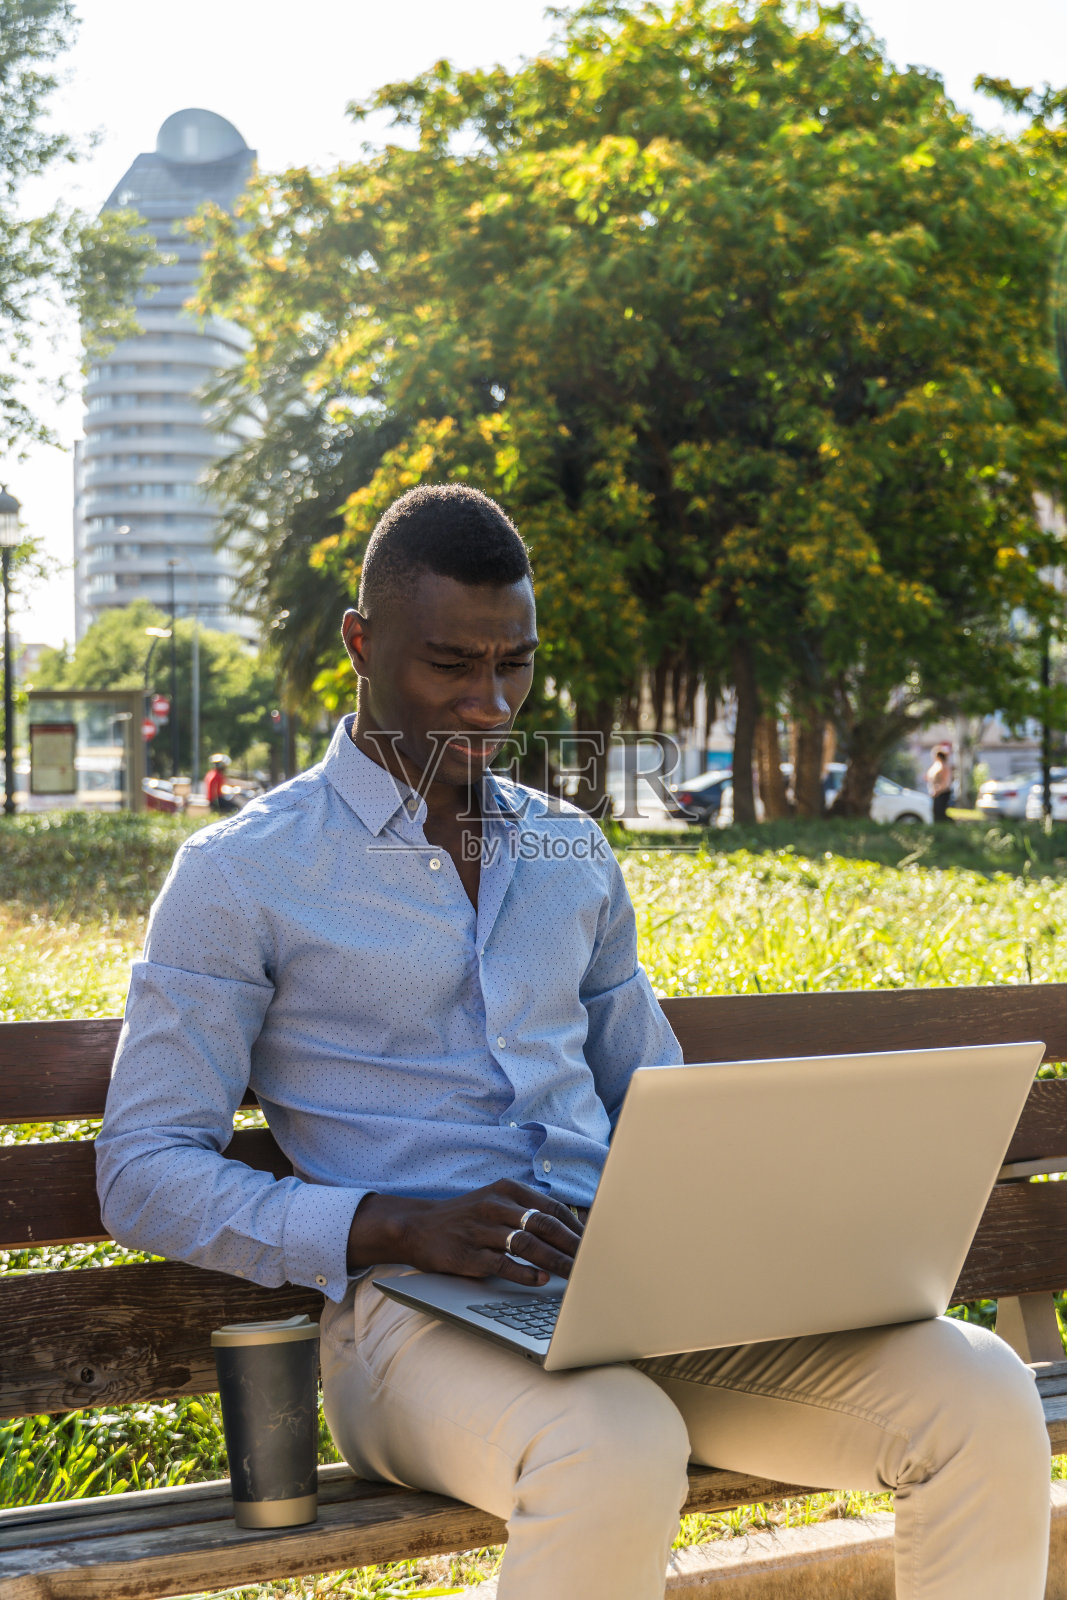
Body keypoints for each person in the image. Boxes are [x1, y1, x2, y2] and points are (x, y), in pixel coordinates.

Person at [97, 485, 1049, 1600]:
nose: (490, 704)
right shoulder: (240, 874)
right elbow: (141, 1169)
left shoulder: (569, 851)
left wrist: (757, 1228)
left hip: (636, 1300)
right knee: (611, 1441)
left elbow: (650, 1091)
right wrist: (391, 1220)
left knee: (979, 1390)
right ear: (360, 642)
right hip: (409, 1328)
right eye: (450, 664)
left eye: (515, 666)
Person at [927, 745, 954, 824]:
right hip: (936, 792)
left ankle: (951, 825)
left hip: (942, 792)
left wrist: (938, 790)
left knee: (940, 812)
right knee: (936, 812)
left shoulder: (944, 766)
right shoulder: (936, 765)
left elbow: (945, 782)